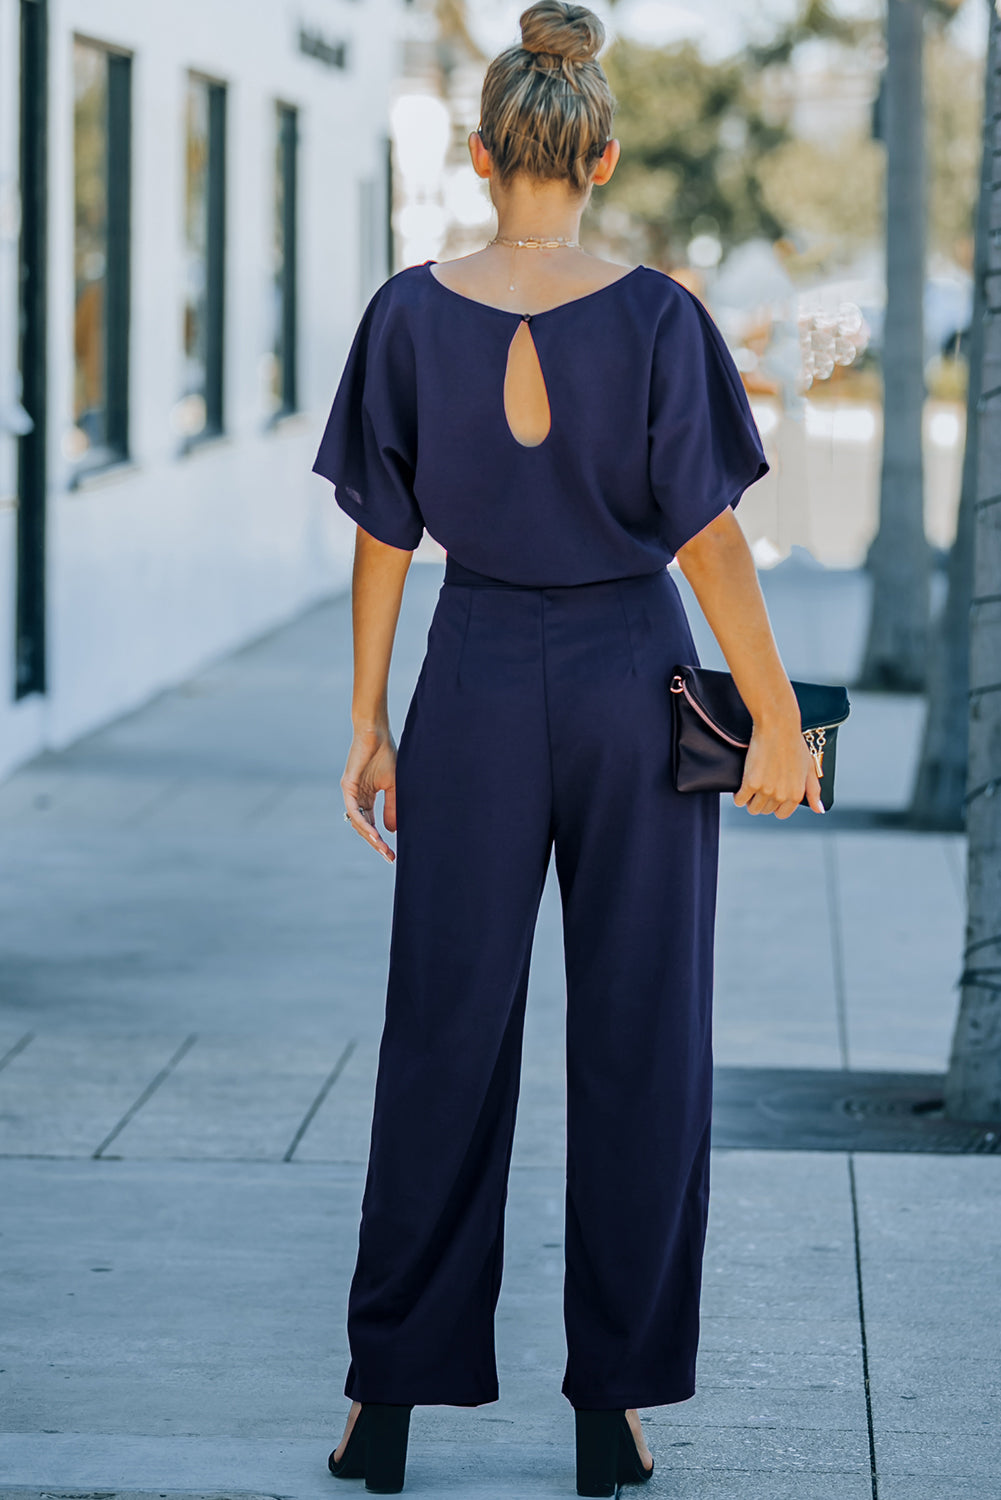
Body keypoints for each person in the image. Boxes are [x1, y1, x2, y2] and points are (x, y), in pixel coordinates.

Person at [311, 3, 823, 1493]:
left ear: (482, 155)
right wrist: (774, 717)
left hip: (467, 680)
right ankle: (613, 1411)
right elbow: (710, 544)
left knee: (441, 1038)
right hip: (631, 678)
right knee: (641, 1038)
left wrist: (367, 718)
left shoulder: (408, 312)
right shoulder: (659, 315)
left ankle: (385, 1407)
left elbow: (382, 543)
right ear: (598, 153)